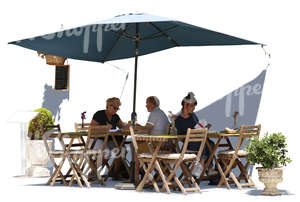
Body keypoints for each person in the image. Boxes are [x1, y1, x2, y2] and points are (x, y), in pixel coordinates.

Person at [175, 92, 216, 176]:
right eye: (192, 106)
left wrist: (204, 128)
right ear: (185, 105)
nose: (194, 108)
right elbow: (179, 135)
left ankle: (208, 167)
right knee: (204, 143)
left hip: (198, 140)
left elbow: (198, 127)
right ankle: (202, 166)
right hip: (188, 144)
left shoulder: (193, 116)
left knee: (211, 143)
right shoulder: (178, 119)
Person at [90, 97, 128, 180]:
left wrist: (127, 125)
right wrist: (104, 127)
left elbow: (122, 126)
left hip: (109, 139)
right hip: (96, 139)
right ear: (108, 105)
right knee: (106, 153)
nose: (116, 110)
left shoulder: (115, 116)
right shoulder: (99, 114)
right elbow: (91, 128)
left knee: (121, 151)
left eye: (118, 108)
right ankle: (93, 172)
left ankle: (115, 172)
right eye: (114, 108)